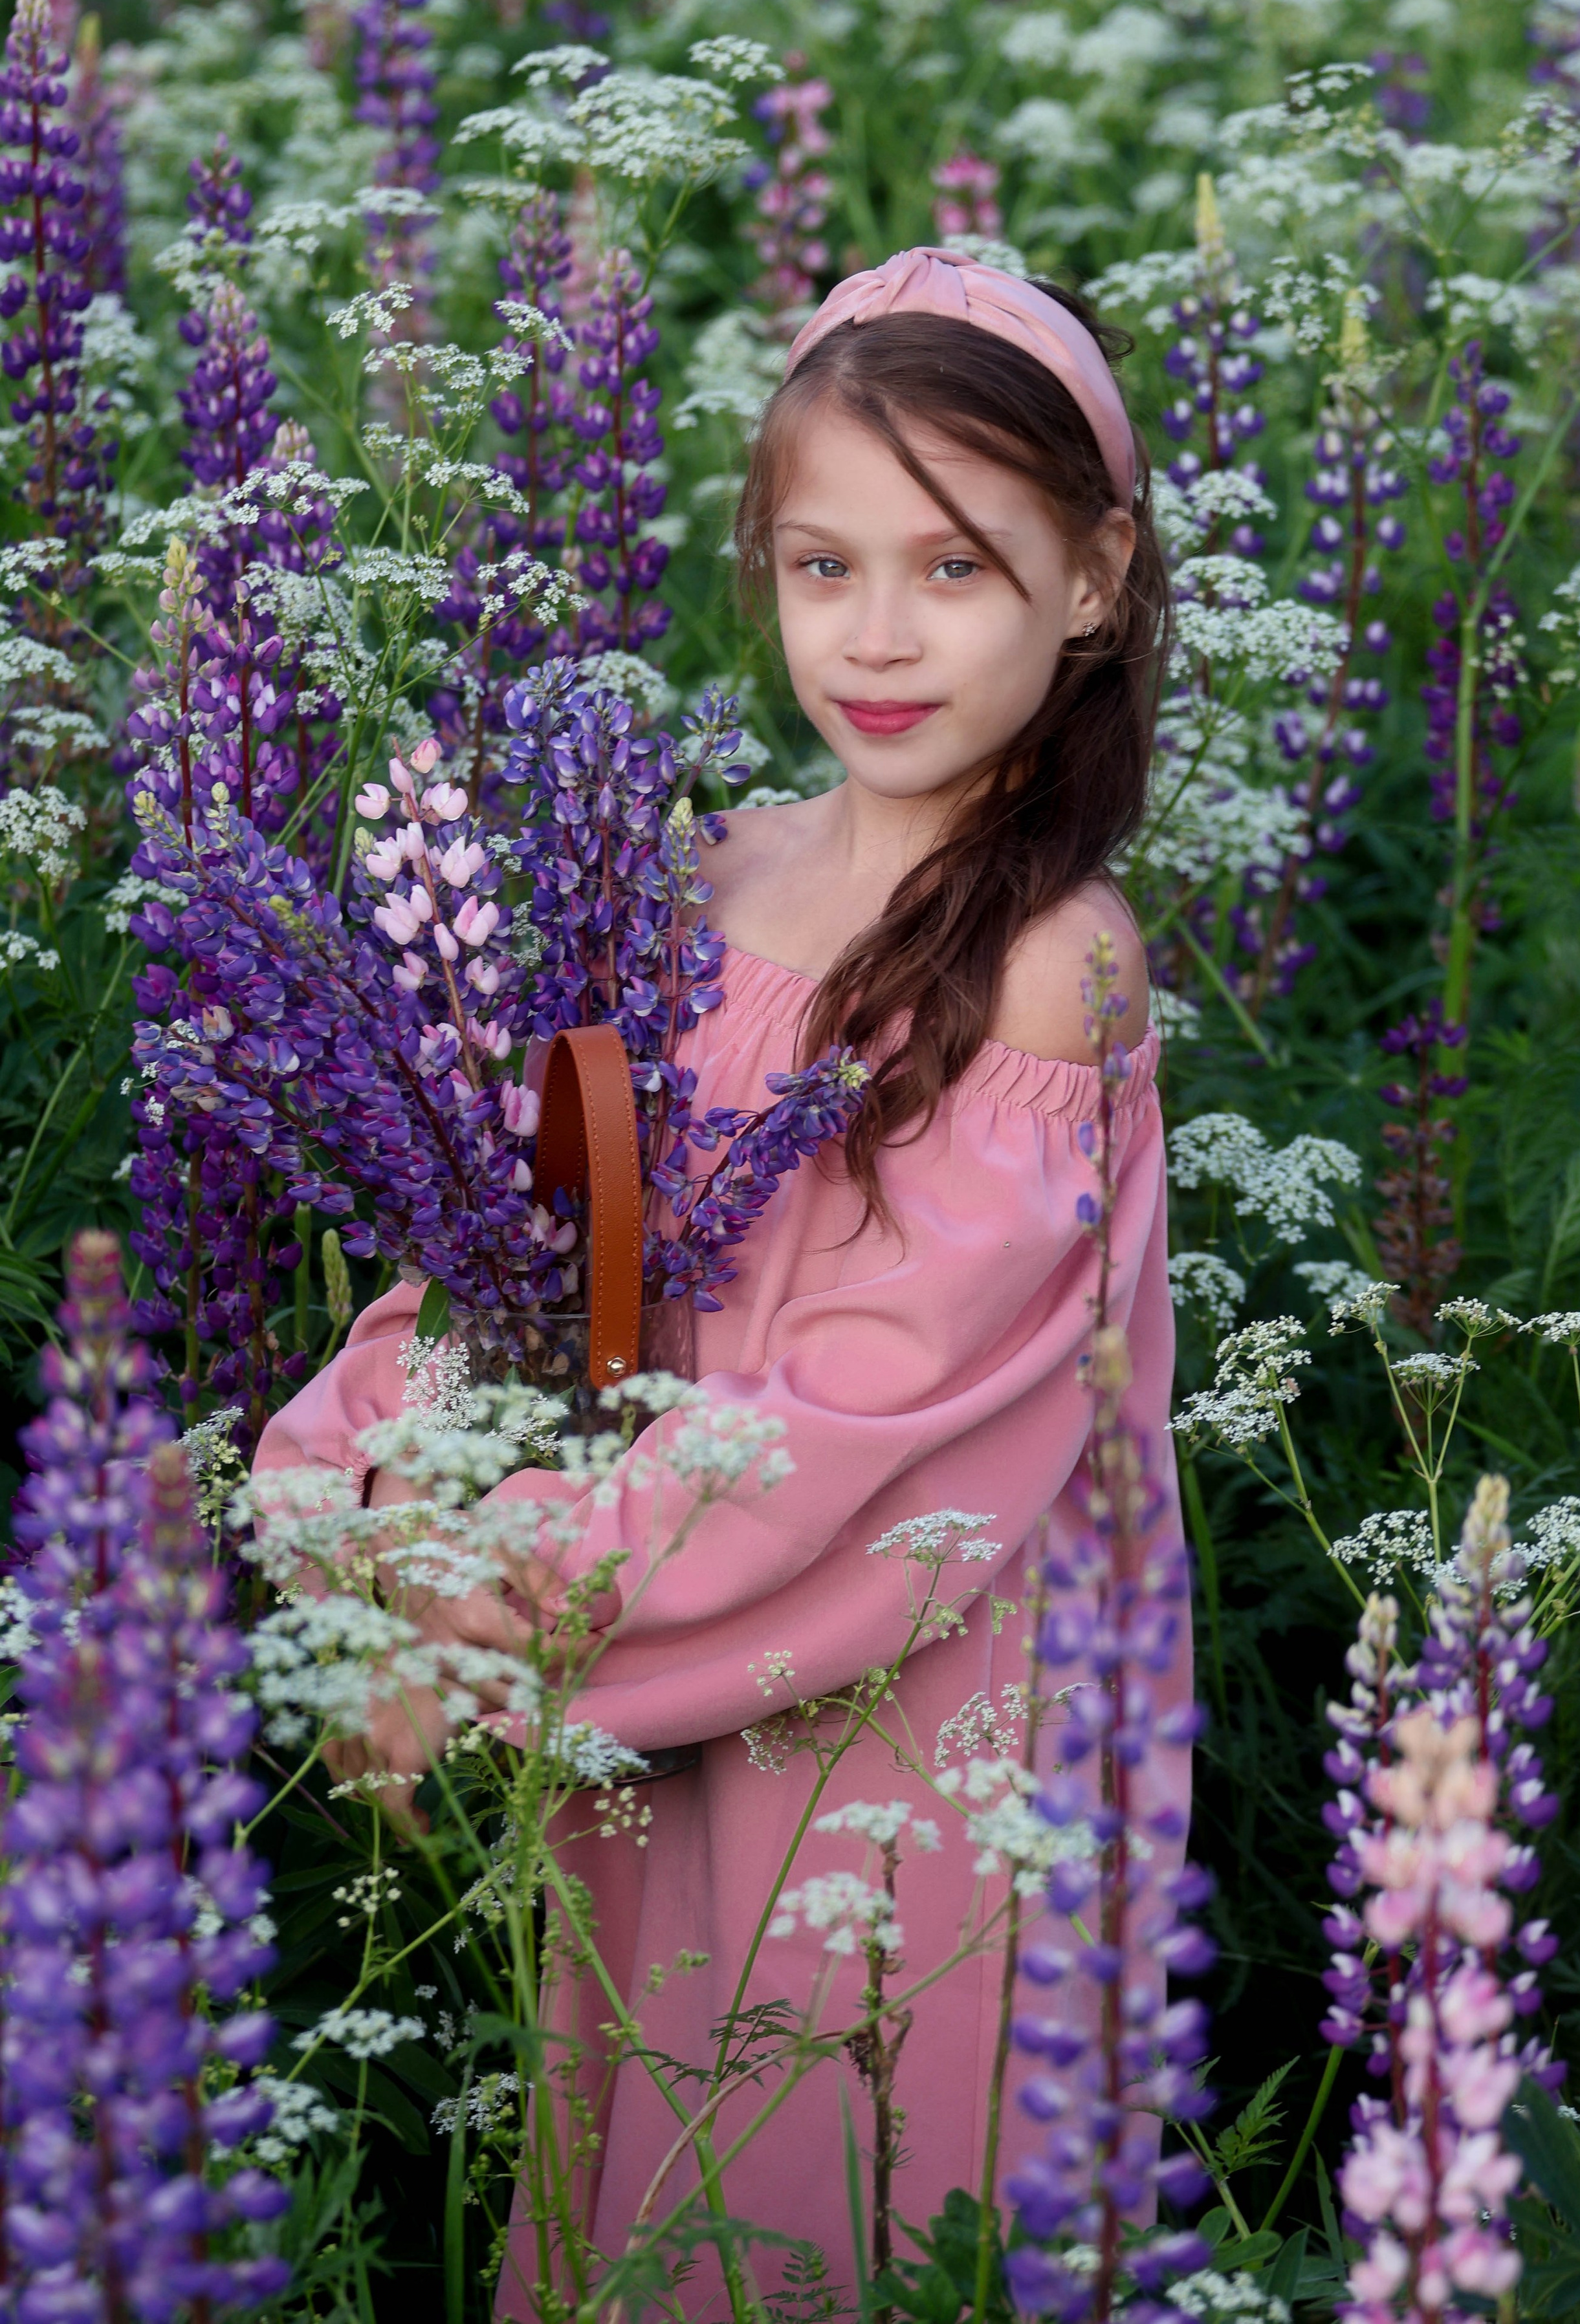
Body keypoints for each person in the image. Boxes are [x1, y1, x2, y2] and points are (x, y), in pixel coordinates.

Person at [253, 246, 1191, 2310]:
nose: (874, 638)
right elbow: (521, 1237)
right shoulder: (705, 868)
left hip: (902, 1712)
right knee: (643, 2169)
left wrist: (479, 1614)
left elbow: (856, 1423)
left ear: (1096, 579)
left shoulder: (1052, 960)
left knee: (813, 2183)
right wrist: (351, 1498)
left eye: (955, 569)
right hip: (644, 1630)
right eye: (817, 565)